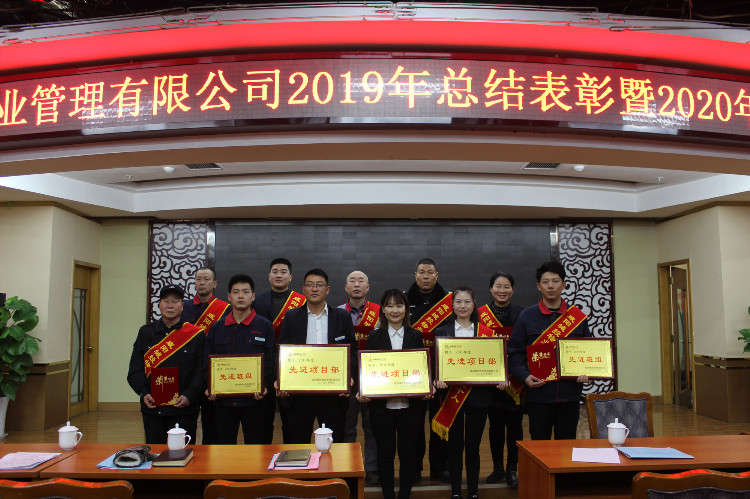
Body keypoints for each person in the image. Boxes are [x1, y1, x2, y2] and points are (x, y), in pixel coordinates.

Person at [434, 287, 507, 499]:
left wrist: (501, 377)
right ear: (452, 305)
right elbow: (434, 363)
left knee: (473, 447)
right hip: (452, 397)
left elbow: (496, 362)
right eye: (458, 302)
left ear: (474, 304)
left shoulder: (486, 333)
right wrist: (437, 379)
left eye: (467, 301)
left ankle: (473, 491)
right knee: (455, 447)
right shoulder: (442, 332)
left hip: (479, 397)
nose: (463, 306)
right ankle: (456, 491)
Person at [508, 261, 592, 440]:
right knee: (539, 445)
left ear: (564, 285)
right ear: (539, 286)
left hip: (570, 396)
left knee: (566, 445)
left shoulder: (577, 317)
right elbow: (514, 351)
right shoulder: (527, 316)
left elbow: (589, 351)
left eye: (555, 281)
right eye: (545, 282)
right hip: (538, 396)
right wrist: (525, 376)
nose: (551, 286)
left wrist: (587, 371)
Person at [276, 268, 358, 444]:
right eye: (310, 285)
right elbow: (283, 351)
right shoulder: (291, 317)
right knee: (297, 443)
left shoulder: (342, 317)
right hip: (299, 393)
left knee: (334, 444)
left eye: (319, 285)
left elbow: (351, 350)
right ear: (303, 289)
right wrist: (281, 379)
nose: (314, 289)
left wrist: (349, 377)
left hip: (333, 394)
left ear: (327, 290)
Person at [360, 289, 426, 499]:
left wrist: (427, 387)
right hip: (382, 409)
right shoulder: (374, 336)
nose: (394, 310)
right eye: (389, 306)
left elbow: (422, 369)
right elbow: (367, 369)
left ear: (406, 309)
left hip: (410, 408)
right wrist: (364, 389)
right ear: (383, 310)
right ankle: (388, 495)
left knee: (408, 454)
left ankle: (404, 495)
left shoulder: (416, 335)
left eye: (399, 305)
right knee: (385, 454)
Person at [127, 285, 205, 444]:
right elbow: (135, 369)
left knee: (183, 453)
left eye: (175, 301)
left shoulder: (195, 334)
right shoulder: (145, 332)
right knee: (155, 452)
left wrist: (189, 395)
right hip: (153, 408)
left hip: (184, 409)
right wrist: (144, 392)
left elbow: (202, 371)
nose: (170, 305)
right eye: (166, 301)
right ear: (159, 304)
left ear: (182, 305)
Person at [205, 274, 275, 444]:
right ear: (229, 297)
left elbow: (271, 361)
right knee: (224, 450)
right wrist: (209, 386)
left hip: (255, 402)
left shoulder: (264, 325)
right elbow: (206, 361)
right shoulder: (217, 328)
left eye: (245, 292)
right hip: (223, 402)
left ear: (253, 296)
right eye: (236, 292)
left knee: (257, 449)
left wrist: (263, 386)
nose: (241, 296)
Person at [406, 258, 452, 483]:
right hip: (414, 371)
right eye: (421, 272)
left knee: (439, 421)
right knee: (413, 423)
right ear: (415, 275)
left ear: (437, 275)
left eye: (430, 272)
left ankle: (439, 468)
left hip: (442, 370)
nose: (425, 276)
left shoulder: (449, 302)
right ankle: (414, 469)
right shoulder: (404, 300)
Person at [478, 272, 525, 487]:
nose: (502, 290)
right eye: (498, 286)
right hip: (492, 381)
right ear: (491, 289)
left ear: (512, 290)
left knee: (515, 426)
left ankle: (512, 468)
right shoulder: (480, 315)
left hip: (515, 380)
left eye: (507, 286)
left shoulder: (522, 313)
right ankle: (497, 468)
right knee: (495, 426)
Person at [253, 258, 306, 444]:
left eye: (283, 272)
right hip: (264, 365)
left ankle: (293, 457)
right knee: (263, 421)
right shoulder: (257, 301)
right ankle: (262, 459)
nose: (279, 275)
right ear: (269, 276)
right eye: (275, 271)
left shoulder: (302, 302)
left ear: (290, 277)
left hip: (292, 366)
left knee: (292, 421)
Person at [338, 270, 380, 484]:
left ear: (368, 287)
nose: (356, 284)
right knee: (347, 425)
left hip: (374, 377)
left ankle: (372, 468)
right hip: (347, 378)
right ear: (346, 287)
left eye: (361, 281)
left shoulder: (380, 313)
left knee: (372, 426)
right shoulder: (336, 313)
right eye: (352, 281)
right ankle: (348, 467)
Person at [181, 267, 230, 445]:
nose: (202, 283)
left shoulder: (226, 309)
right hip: (189, 374)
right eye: (198, 279)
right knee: (186, 425)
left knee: (213, 426)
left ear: (214, 283)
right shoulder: (183, 307)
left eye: (206, 279)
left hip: (213, 374)